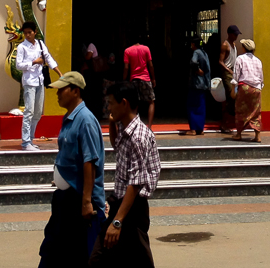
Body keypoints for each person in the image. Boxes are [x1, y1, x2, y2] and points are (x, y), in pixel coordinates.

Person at [89, 82, 161, 267]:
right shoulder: (125, 128)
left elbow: (136, 182)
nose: (109, 107)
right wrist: (113, 122)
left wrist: (117, 222)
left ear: (124, 103)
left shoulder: (138, 136)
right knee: (101, 257)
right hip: (120, 204)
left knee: (138, 261)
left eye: (111, 103)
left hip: (132, 208)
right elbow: (116, 145)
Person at [38, 71, 105, 268]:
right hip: (65, 198)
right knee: (54, 249)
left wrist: (86, 201)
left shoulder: (85, 120)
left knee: (76, 254)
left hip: (78, 200)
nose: (57, 94)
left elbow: (90, 162)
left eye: (61, 89)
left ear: (75, 91)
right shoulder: (68, 118)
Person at [16, 20, 62, 151]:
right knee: (29, 111)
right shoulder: (22, 47)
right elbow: (18, 65)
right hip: (29, 81)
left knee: (37, 112)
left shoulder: (40, 44)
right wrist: (33, 62)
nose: (27, 35)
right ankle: (25, 142)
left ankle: (30, 139)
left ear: (35, 32)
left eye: (30, 32)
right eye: (25, 33)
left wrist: (59, 73)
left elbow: (48, 58)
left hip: (40, 81)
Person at [231, 38, 263, 143]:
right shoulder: (258, 61)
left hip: (244, 87)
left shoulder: (240, 59)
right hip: (256, 88)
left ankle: (239, 133)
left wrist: (233, 89)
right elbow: (261, 77)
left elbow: (236, 75)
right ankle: (257, 135)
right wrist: (259, 87)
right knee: (256, 112)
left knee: (241, 110)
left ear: (244, 48)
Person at [123, 40, 156, 128]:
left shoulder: (127, 50)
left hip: (133, 79)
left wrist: (124, 80)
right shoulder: (146, 49)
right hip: (145, 78)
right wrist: (153, 79)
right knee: (151, 102)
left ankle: (135, 127)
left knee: (134, 103)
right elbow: (150, 65)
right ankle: (149, 127)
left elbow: (126, 67)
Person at [183, 37, 210, 136]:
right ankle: (200, 129)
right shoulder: (204, 53)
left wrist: (197, 70)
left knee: (192, 106)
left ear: (193, 44)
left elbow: (194, 62)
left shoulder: (196, 53)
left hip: (196, 84)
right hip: (204, 84)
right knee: (201, 106)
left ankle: (193, 129)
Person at [219, 26, 240, 134]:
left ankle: (229, 121)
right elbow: (220, 61)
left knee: (234, 97)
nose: (236, 36)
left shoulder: (234, 45)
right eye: (235, 34)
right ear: (229, 34)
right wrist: (229, 70)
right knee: (229, 97)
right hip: (227, 73)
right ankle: (224, 124)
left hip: (233, 72)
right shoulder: (225, 45)